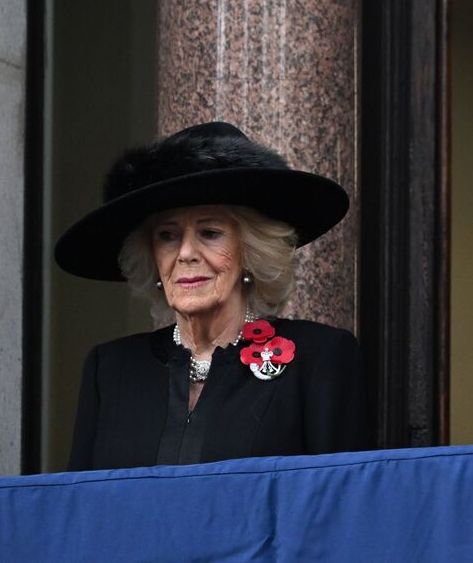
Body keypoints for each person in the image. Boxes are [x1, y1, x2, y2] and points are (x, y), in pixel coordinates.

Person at [57, 121, 368, 470]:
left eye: (210, 232)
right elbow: (81, 510)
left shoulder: (319, 359)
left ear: (250, 251)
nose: (186, 253)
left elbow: (343, 505)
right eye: (167, 235)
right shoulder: (111, 370)